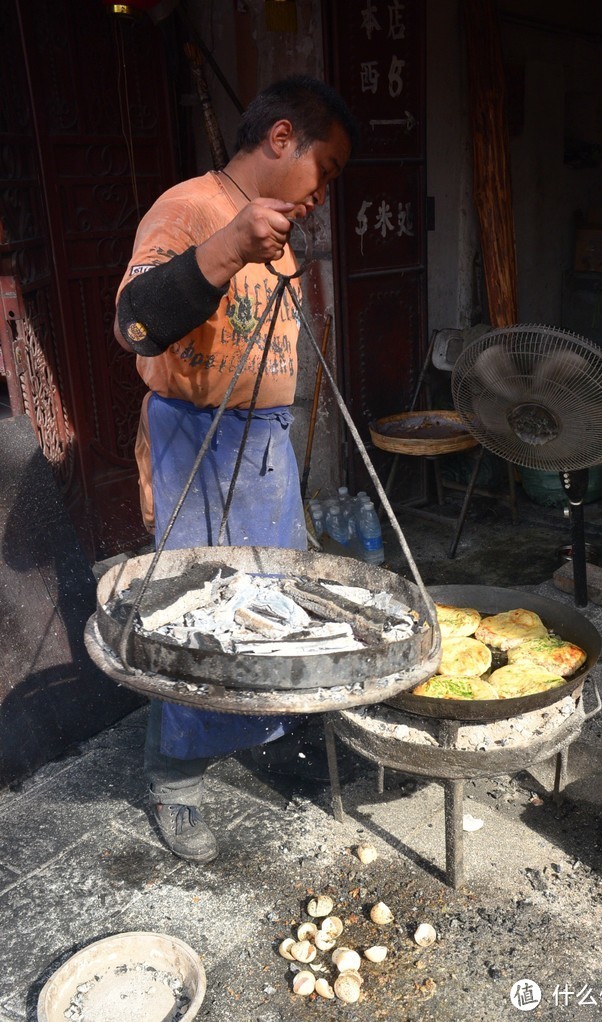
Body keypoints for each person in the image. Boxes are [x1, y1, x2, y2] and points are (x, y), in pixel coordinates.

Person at [114, 75, 358, 864]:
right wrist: (224, 248)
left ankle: (259, 734)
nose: (324, 192)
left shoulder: (280, 230)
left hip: (262, 444)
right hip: (198, 440)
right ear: (281, 138)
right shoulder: (190, 209)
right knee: (197, 613)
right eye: (325, 169)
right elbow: (135, 324)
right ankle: (175, 780)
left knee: (273, 605)